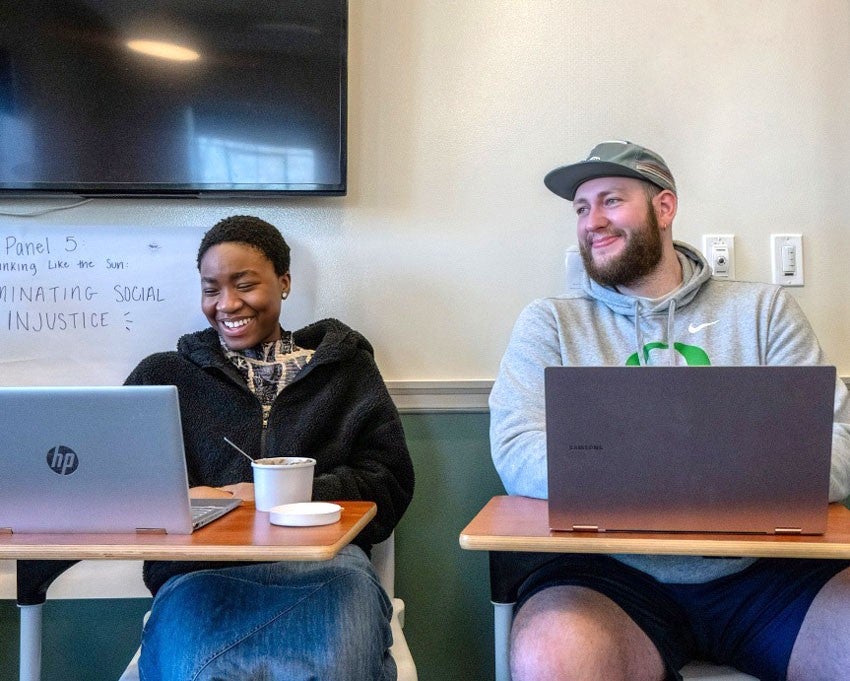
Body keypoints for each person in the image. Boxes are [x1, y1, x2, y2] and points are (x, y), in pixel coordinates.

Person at [489, 141, 850, 681]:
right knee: (551, 657)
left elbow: (837, 446)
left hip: (769, 574)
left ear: (664, 208)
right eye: (582, 209)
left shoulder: (764, 311)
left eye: (611, 200)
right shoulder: (550, 324)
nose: (593, 222)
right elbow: (517, 450)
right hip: (609, 575)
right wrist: (714, 473)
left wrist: (643, 472)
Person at [125, 215, 414, 681]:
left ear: (283, 283)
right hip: (198, 579)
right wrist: (207, 501)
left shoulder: (347, 371)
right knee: (190, 670)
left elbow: (389, 486)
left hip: (328, 572)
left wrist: (282, 496)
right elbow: (123, 492)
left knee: (339, 666)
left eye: (244, 284)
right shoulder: (162, 377)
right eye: (211, 289)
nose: (227, 304)